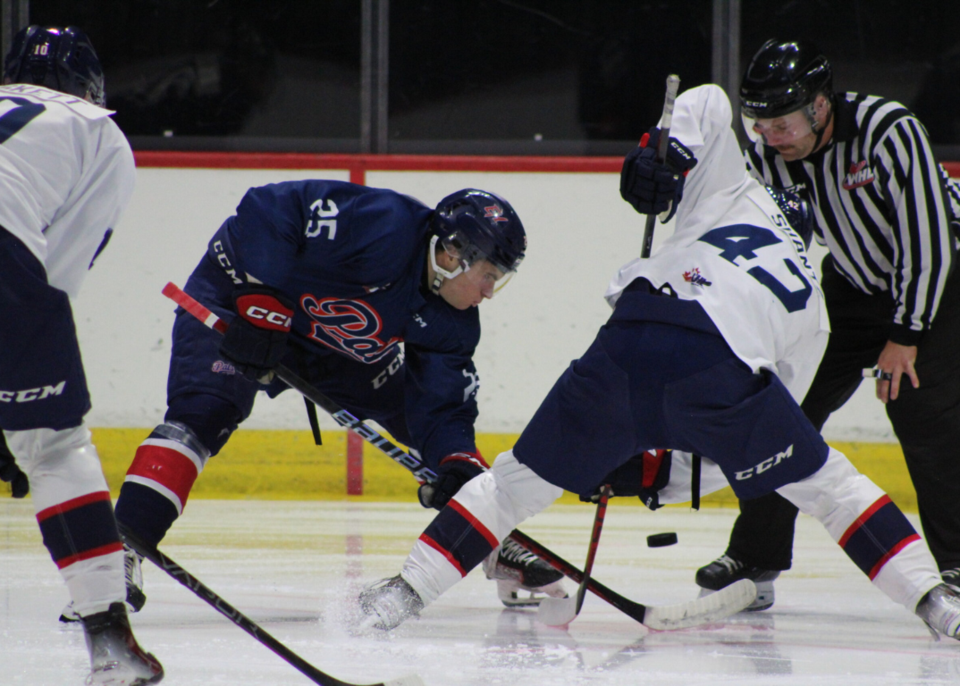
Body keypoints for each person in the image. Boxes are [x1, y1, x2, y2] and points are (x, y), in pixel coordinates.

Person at [354, 83, 960, 642]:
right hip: (719, 367)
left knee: (510, 487)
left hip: (629, 338)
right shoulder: (810, 304)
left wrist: (663, 154)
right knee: (834, 489)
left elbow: (707, 103)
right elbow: (743, 441)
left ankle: (399, 597)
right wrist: (656, 479)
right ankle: (937, 604)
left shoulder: (729, 194)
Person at [108, 181, 567, 613]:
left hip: (331, 345)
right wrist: (260, 302)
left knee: (428, 432)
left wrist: (456, 462)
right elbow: (270, 208)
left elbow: (441, 408)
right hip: (240, 305)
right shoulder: (384, 225)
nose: (490, 292)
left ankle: (489, 542)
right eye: (488, 275)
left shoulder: (453, 321)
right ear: (452, 254)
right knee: (204, 412)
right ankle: (119, 552)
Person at [694, 39, 960, 611]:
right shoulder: (769, 149)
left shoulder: (888, 130)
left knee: (923, 416)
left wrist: (906, 335)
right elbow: (750, 230)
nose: (768, 135)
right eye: (758, 123)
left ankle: (958, 566)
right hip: (852, 285)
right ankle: (758, 554)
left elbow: (931, 242)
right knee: (778, 409)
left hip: (940, 283)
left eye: (780, 122)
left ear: (819, 107)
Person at [0, 25, 164, 685]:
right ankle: (110, 641)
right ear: (89, 85)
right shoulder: (96, 129)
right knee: (56, 448)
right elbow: (51, 281)